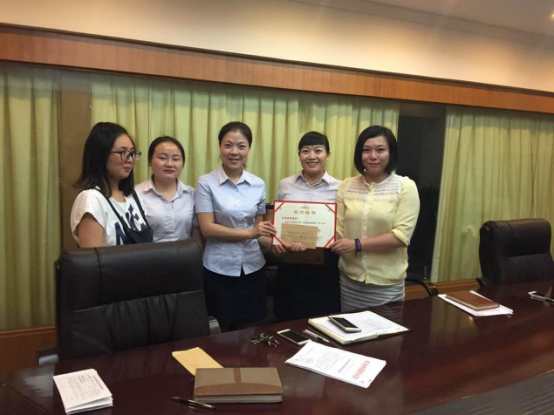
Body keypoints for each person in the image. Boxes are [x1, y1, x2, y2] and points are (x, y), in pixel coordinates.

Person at [195, 121, 279, 329]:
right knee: (220, 332)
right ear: (220, 147)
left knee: (252, 330)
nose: (234, 152)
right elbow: (207, 229)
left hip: (253, 268)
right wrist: (250, 233)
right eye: (228, 145)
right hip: (219, 269)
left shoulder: (258, 184)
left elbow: (259, 230)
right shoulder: (206, 183)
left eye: (241, 146)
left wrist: (278, 245)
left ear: (249, 149)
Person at [329, 126, 420, 310]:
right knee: (349, 328)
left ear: (391, 153)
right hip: (349, 280)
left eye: (380, 150)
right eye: (366, 150)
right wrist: (305, 239)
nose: (373, 156)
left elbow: (401, 236)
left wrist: (356, 244)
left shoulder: (405, 187)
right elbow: (337, 229)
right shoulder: (347, 186)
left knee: (386, 329)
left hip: (386, 285)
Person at [273, 131, 342, 321]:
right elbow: (277, 218)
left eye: (318, 151)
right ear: (299, 155)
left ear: (328, 155)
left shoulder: (340, 187)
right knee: (287, 318)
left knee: (323, 318)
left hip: (324, 263)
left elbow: (343, 225)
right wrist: (277, 242)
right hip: (291, 262)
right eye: (306, 151)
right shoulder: (286, 184)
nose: (312, 156)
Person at [71, 122, 152, 247]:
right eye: (122, 152)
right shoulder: (91, 199)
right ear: (100, 155)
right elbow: (92, 257)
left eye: (132, 153)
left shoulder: (132, 196)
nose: (130, 159)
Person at [135, 136, 202, 245]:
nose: (169, 164)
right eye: (162, 158)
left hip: (185, 255)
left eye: (176, 159)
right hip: (147, 254)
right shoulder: (136, 194)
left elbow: (196, 235)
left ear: (182, 164)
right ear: (150, 161)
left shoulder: (192, 194)